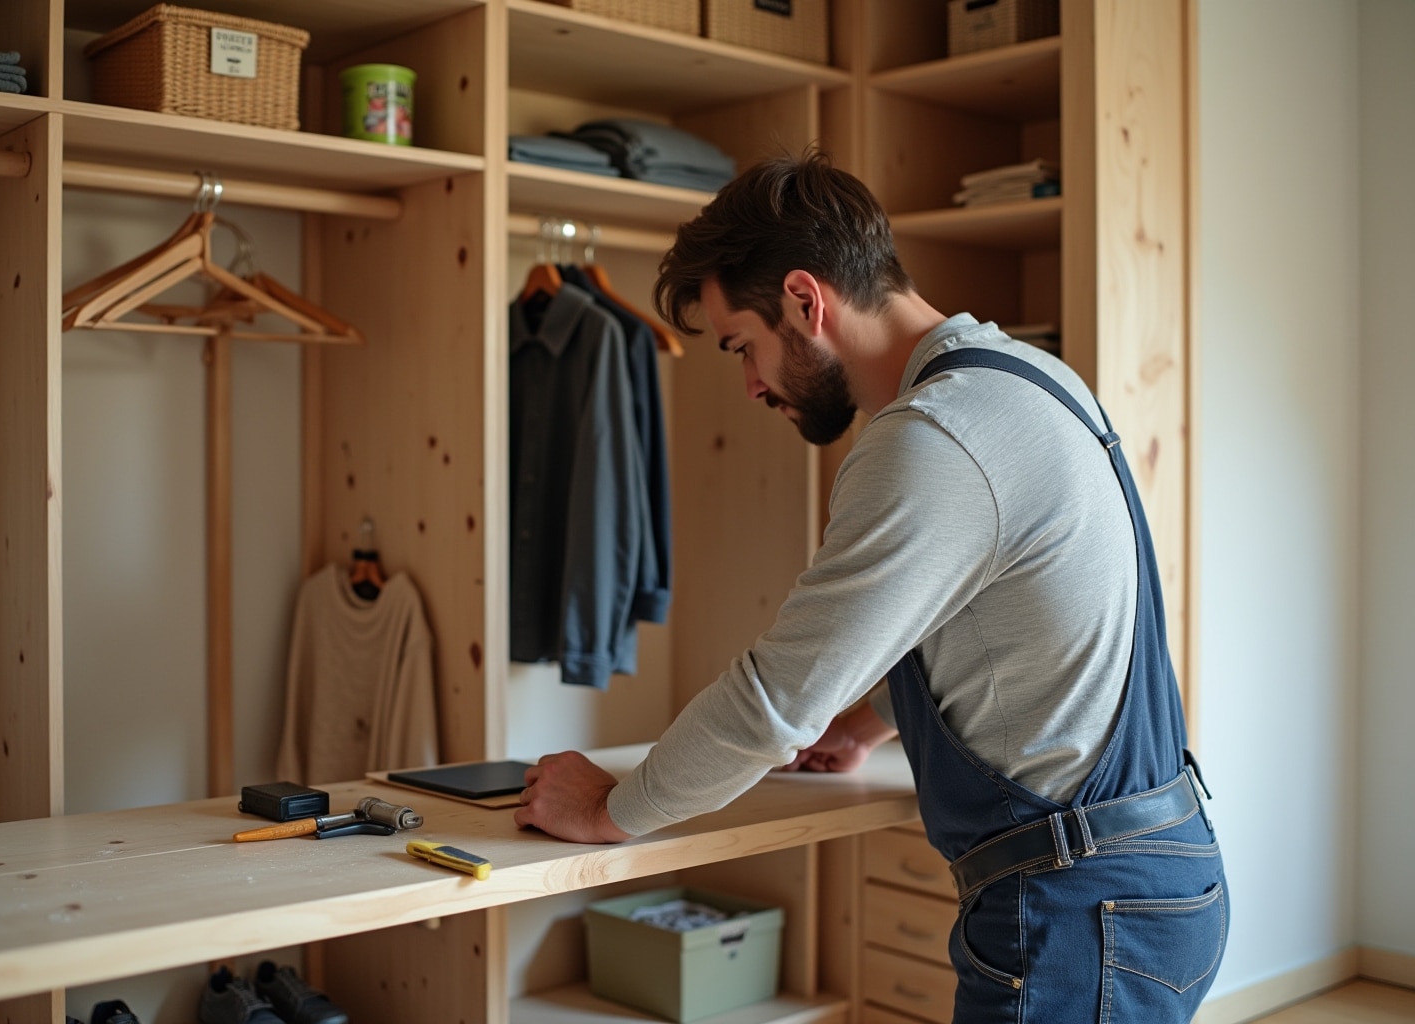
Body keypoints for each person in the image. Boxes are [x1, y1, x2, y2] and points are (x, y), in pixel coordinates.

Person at [513, 152, 1227, 1022]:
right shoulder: (1028, 380)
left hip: (1079, 911)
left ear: (806, 302)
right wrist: (868, 724)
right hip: (1153, 874)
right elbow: (995, 622)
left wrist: (610, 811)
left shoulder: (932, 439)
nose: (748, 387)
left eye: (743, 346)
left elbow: (776, 700)